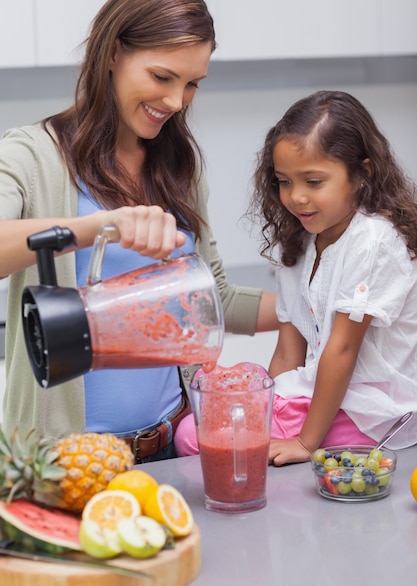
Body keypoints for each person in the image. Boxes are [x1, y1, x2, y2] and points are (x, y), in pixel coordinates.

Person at [0, 0, 278, 462]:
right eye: (162, 77)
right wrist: (97, 227)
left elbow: (212, 301)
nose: (175, 101)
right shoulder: (32, 155)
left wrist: (311, 302)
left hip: (175, 443)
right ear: (112, 54)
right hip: (66, 461)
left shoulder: (178, 168)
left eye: (192, 84)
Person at [175, 89, 417, 464]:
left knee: (198, 437)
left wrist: (304, 443)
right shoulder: (301, 240)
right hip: (323, 393)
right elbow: (289, 352)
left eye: (313, 182)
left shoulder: (372, 240)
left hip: (374, 411)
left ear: (362, 174)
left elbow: (342, 349)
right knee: (216, 417)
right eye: (284, 181)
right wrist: (263, 414)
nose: (296, 197)